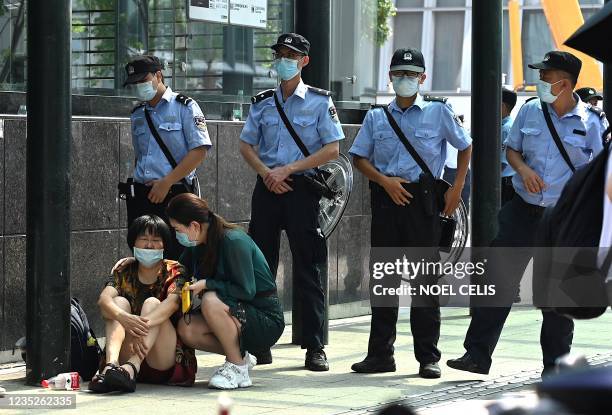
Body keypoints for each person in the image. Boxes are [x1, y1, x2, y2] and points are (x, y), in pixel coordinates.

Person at [447, 51, 608, 377]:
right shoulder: (531, 111)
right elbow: (512, 149)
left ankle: (555, 369)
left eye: (546, 77)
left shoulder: (592, 122)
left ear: (564, 83)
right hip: (522, 211)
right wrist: (522, 169)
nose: (540, 82)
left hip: (564, 219)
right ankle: (477, 354)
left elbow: (603, 170)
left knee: (557, 295)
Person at [349, 47, 472, 379]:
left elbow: (465, 146)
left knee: (424, 283)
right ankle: (380, 355)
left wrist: (457, 187)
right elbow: (358, 157)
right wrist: (383, 181)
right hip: (387, 201)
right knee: (384, 282)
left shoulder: (439, 112)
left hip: (423, 202)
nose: (405, 80)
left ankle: (428, 357)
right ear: (390, 78)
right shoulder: (376, 117)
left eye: (412, 74)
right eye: (399, 74)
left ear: (423, 78)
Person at [239, 33, 345, 371]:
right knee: (260, 268)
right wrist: (267, 173)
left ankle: (314, 346)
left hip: (302, 191)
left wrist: (288, 169)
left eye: (291, 55)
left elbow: (332, 149)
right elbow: (246, 145)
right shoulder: (263, 102)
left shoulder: (318, 101)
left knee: (309, 268)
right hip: (267, 190)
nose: (283, 60)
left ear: (304, 61)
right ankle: (260, 342)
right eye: (280, 54)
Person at [166, 193, 285, 389]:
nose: (177, 235)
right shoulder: (198, 245)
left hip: (265, 319)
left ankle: (236, 367)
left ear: (194, 226)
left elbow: (246, 291)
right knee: (187, 329)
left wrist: (207, 284)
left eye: (178, 229)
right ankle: (242, 358)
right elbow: (180, 269)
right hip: (236, 314)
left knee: (211, 300)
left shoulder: (233, 240)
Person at [91, 215, 196, 393]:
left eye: (156, 240)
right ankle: (110, 367)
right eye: (144, 239)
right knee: (117, 303)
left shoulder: (175, 270)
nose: (149, 245)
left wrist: (140, 328)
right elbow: (104, 300)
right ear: (133, 243)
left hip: (161, 357)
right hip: (128, 349)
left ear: (164, 245)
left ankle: (132, 368)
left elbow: (171, 305)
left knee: (153, 304)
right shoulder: (124, 269)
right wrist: (123, 318)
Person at [122, 55, 212, 260]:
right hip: (142, 195)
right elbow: (141, 155)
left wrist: (166, 182)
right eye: (134, 84)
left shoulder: (184, 106)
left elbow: (199, 151)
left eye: (142, 81)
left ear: (159, 75)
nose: (138, 87)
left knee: (176, 255)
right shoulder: (138, 113)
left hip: (174, 195)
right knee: (144, 254)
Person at [443, 114, 472, 212]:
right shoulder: (466, 135)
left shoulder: (447, 136)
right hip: (463, 171)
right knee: (462, 203)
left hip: (452, 171)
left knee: (449, 204)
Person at [501, 87, 518, 205]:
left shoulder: (506, 129)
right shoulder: (505, 126)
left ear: (502, 106)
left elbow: (502, 163)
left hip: (504, 183)